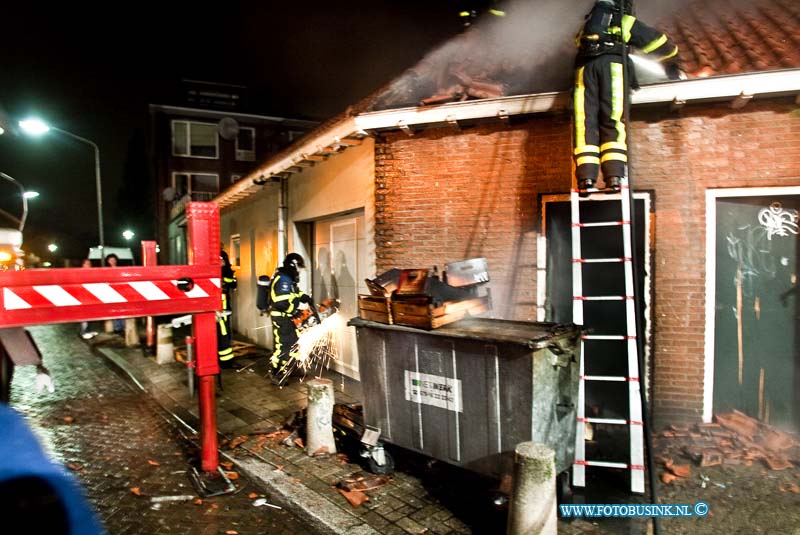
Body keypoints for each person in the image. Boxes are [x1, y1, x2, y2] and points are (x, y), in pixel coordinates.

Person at [573, 0, 680, 193]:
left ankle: (586, 178)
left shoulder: (586, 27)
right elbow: (658, 43)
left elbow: (576, 43)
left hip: (584, 71)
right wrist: (672, 61)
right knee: (612, 119)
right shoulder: (622, 20)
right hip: (612, 67)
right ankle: (614, 176)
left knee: (585, 122)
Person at [268, 253, 319, 385]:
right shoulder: (283, 279)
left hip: (287, 317)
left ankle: (293, 367)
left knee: (294, 342)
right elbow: (281, 302)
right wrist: (296, 311)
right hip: (281, 318)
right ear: (294, 266)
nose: (300, 272)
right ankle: (275, 372)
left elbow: (294, 292)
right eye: (299, 268)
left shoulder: (288, 278)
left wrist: (304, 297)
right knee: (283, 346)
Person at [217, 248, 237, 367]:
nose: (222, 262)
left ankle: (225, 359)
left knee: (225, 333)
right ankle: (225, 361)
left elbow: (233, 283)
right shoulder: (214, 272)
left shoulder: (226, 271)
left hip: (224, 305)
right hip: (220, 308)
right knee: (222, 333)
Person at [104, 254, 125, 333]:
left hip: (120, 291)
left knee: (122, 308)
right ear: (108, 261)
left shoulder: (120, 269)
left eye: (114, 259)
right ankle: (117, 327)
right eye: (111, 260)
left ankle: (123, 326)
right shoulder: (106, 271)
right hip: (111, 292)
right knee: (115, 309)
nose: (112, 261)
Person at [78, 259, 98, 340]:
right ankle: (83, 332)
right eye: (87, 264)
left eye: (90, 264)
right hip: (82, 297)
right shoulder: (80, 273)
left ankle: (88, 330)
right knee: (84, 316)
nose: (89, 265)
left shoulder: (91, 273)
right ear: (83, 265)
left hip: (89, 297)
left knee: (89, 315)